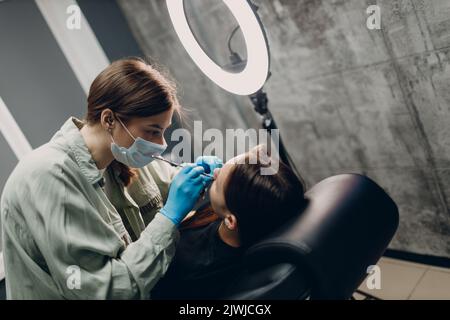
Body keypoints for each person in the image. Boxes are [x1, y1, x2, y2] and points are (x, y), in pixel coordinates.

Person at [0, 57, 223, 299]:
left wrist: (201, 177)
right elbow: (108, 292)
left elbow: (172, 185)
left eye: (163, 131)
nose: (161, 145)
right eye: (152, 131)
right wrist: (169, 217)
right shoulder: (49, 177)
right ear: (109, 120)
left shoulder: (121, 156)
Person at [151, 146, 308, 299]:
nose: (216, 173)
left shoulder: (191, 269)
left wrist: (170, 214)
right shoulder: (253, 215)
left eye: (218, 183)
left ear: (230, 220)